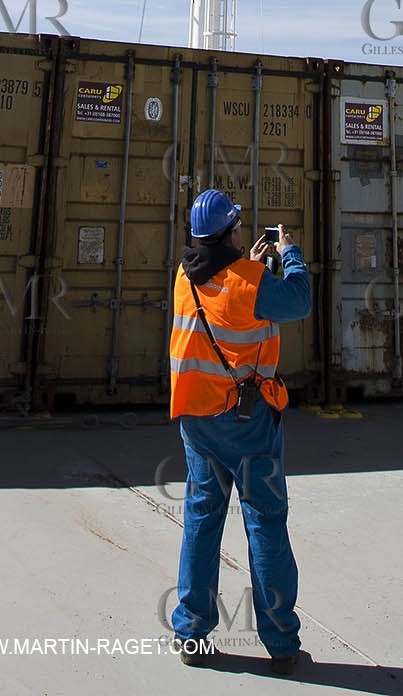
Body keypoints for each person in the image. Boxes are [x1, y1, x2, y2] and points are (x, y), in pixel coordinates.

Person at [168, 188, 312, 675]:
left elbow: (225, 292)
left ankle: (191, 632)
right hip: (245, 423)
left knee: (202, 519)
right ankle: (281, 643)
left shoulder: (184, 278)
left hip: (195, 419)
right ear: (231, 231)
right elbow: (298, 301)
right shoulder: (251, 281)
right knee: (265, 522)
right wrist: (289, 253)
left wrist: (247, 266)